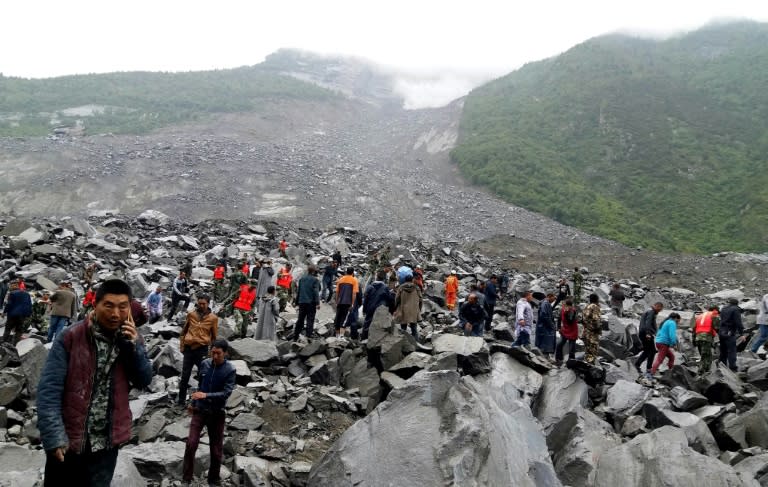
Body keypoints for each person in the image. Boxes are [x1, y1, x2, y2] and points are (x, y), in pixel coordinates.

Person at [37, 279, 152, 486]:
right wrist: (54, 436)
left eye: (122, 307)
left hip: (106, 445)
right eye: (108, 305)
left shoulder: (132, 338)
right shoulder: (71, 336)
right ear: (95, 304)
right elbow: (49, 389)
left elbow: (143, 380)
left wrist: (134, 348)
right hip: (68, 442)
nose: (115, 313)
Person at [181, 339, 235, 487]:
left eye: (218, 353)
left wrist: (206, 396)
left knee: (216, 450)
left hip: (217, 413)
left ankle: (214, 480)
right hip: (200, 410)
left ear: (225, 353)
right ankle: (186, 479)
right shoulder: (204, 364)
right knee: (191, 444)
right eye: (213, 353)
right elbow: (200, 385)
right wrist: (193, 403)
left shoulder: (230, 370)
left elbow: (226, 393)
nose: (215, 356)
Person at [178, 295, 218, 406]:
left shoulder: (213, 318)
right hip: (189, 349)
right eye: (199, 303)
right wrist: (182, 346)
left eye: (203, 304)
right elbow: (183, 332)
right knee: (185, 376)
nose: (201, 305)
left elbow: (214, 337)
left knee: (203, 376)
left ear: (208, 303)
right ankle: (180, 401)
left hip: (202, 350)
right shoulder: (191, 315)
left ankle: (199, 401)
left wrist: (211, 353)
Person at [361, 270, 395, 340]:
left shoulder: (370, 287)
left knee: (367, 323)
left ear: (376, 277)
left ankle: (364, 339)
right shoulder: (385, 288)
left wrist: (364, 310)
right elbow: (390, 300)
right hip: (380, 309)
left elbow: (365, 299)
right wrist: (391, 311)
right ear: (384, 279)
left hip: (370, 308)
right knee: (379, 325)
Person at [292, 265, 321, 340]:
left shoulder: (302, 279)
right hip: (311, 303)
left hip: (302, 302)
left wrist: (296, 302)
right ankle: (308, 335)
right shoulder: (315, 280)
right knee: (310, 319)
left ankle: (296, 335)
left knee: (300, 319)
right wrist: (317, 303)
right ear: (314, 272)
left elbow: (299, 291)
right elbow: (316, 292)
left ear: (308, 271)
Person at [635, 302, 664, 374]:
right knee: (651, 351)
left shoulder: (650, 311)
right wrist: (648, 333)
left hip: (644, 333)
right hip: (646, 334)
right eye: (660, 309)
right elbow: (648, 324)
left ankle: (643, 366)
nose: (660, 311)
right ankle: (646, 367)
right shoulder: (651, 312)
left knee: (648, 351)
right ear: (657, 307)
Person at [651, 312, 681, 376]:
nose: (678, 322)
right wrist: (674, 344)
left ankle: (670, 372)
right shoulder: (672, 323)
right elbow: (672, 335)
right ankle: (652, 373)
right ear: (676, 318)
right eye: (678, 321)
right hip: (663, 343)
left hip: (659, 342)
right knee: (660, 359)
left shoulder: (666, 322)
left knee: (671, 357)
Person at [718, 298, 744, 371]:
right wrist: (741, 333)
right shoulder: (736, 309)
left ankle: (722, 366)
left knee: (723, 350)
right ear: (736, 304)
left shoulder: (723, 308)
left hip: (721, 331)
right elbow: (738, 322)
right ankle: (733, 367)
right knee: (732, 350)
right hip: (729, 332)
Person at [395, 274, 422, 339]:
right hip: (414, 310)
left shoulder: (401, 287)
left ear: (405, 280)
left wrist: (396, 307)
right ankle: (416, 344)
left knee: (403, 329)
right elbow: (421, 300)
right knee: (414, 329)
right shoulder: (416, 288)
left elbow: (397, 299)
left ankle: (403, 344)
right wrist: (419, 309)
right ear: (412, 280)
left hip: (403, 310)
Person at [334, 268, 359, 338]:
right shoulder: (354, 280)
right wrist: (352, 304)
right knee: (344, 319)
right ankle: (341, 336)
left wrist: (336, 301)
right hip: (348, 303)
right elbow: (354, 293)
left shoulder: (341, 279)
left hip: (340, 302)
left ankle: (337, 335)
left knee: (338, 318)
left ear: (346, 272)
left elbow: (337, 292)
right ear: (352, 273)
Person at [694, 305, 720, 375]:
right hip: (706, 337)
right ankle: (703, 372)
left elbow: (694, 328)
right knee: (706, 356)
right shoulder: (713, 315)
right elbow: (717, 327)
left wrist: (694, 340)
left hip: (698, 337)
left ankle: (703, 370)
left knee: (703, 355)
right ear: (715, 310)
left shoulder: (700, 316)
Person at [555, 299, 579, 365]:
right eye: (564, 305)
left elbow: (570, 321)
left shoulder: (572, 311)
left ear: (570, 306)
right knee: (559, 344)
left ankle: (571, 362)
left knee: (571, 348)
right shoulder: (562, 309)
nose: (564, 306)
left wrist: (566, 313)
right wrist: (559, 327)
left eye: (565, 305)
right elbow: (559, 318)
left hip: (572, 330)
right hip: (565, 330)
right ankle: (559, 359)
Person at [582, 293, 602, 364]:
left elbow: (582, 319)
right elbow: (596, 319)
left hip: (586, 331)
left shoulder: (587, 306)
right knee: (593, 350)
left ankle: (587, 364)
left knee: (588, 350)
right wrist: (598, 329)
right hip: (593, 333)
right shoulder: (595, 307)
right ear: (596, 299)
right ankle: (592, 366)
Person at [535, 293, 557, 358]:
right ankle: (543, 357)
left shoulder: (546, 303)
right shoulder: (545, 304)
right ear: (549, 297)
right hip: (544, 327)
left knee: (544, 342)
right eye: (553, 298)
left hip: (544, 326)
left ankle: (545, 357)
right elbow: (544, 315)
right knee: (544, 343)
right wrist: (551, 324)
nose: (554, 300)